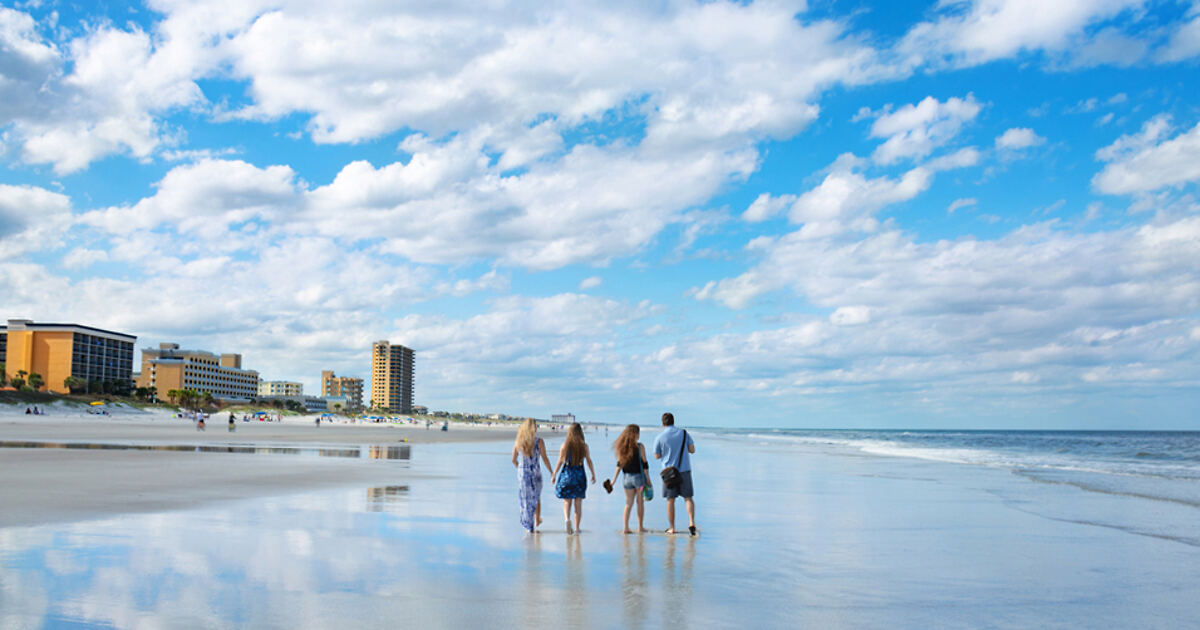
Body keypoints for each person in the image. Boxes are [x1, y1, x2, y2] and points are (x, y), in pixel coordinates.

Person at [653, 412, 696, 535]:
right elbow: (692, 450)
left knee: (670, 500)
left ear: (663, 423)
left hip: (669, 473)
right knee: (688, 498)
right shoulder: (683, 433)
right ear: (673, 421)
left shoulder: (660, 437)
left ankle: (672, 527)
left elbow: (656, 456)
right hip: (684, 470)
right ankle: (691, 523)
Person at [552, 422, 596, 534]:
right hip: (579, 476)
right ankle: (577, 528)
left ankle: (567, 519)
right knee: (578, 503)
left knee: (567, 502)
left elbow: (560, 461)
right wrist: (593, 473)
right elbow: (589, 461)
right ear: (580, 432)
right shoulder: (584, 446)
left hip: (567, 475)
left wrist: (554, 474)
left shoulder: (564, 446)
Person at [512, 418, 553, 533]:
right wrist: (552, 472)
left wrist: (520, 469)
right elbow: (545, 458)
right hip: (535, 474)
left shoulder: (518, 441)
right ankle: (535, 521)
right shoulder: (539, 441)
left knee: (525, 499)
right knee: (536, 497)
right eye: (535, 426)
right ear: (532, 428)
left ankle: (529, 526)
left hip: (522, 475)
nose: (536, 428)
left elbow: (513, 460)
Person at [609, 424, 649, 534]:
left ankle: (625, 528)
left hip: (626, 479)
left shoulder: (622, 448)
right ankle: (640, 527)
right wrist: (648, 478)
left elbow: (619, 465)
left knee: (628, 503)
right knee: (640, 502)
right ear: (636, 434)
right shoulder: (640, 447)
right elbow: (645, 464)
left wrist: (614, 480)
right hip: (638, 479)